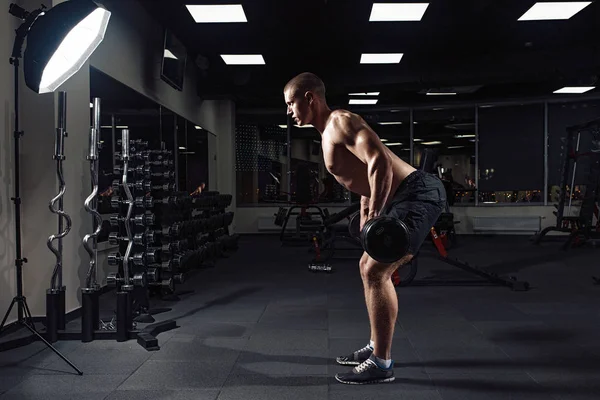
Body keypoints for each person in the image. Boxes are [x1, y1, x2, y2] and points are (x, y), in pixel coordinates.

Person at [284, 72, 446, 385]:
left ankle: (382, 363)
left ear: (309, 99)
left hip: (416, 192)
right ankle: (376, 346)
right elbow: (363, 177)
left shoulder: (340, 121)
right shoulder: (327, 132)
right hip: (404, 195)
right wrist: (363, 215)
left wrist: (374, 214)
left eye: (291, 103)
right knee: (365, 266)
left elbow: (379, 163)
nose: (289, 111)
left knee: (376, 271)